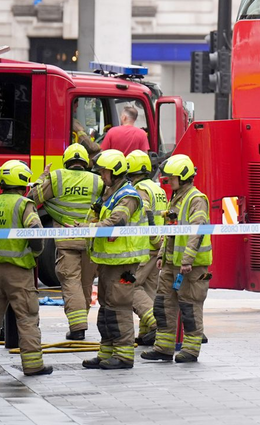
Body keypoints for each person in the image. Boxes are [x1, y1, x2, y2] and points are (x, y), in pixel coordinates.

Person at [0, 161, 53, 377]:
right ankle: (33, 364)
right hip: (19, 273)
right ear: (23, 182)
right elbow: (36, 232)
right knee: (27, 318)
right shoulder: (23, 205)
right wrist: (34, 254)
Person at [28, 143, 103, 340]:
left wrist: (42, 177)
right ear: (86, 161)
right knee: (86, 284)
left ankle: (77, 327)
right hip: (90, 241)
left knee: (71, 283)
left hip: (67, 241)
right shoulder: (98, 181)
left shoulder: (57, 177)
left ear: (66, 160)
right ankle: (80, 323)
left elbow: (31, 199)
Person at [142, 154, 211, 363]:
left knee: (190, 307)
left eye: (171, 178)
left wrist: (188, 259)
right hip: (172, 264)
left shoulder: (196, 199)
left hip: (191, 267)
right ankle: (163, 347)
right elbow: (172, 230)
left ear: (183, 177)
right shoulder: (177, 197)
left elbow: (197, 231)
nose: (168, 181)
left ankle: (190, 350)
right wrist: (163, 255)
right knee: (163, 304)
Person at [84, 150, 149, 370]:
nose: (102, 175)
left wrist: (88, 228)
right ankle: (106, 353)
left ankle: (124, 355)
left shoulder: (127, 196)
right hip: (108, 262)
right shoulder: (110, 193)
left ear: (116, 172)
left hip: (123, 263)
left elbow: (116, 221)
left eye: (104, 171)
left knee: (119, 307)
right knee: (106, 308)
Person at [125, 150, 167, 347]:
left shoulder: (140, 189)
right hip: (155, 247)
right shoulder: (157, 188)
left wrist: (154, 238)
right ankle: (146, 334)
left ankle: (157, 324)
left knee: (129, 287)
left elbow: (147, 214)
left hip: (144, 246)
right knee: (149, 289)